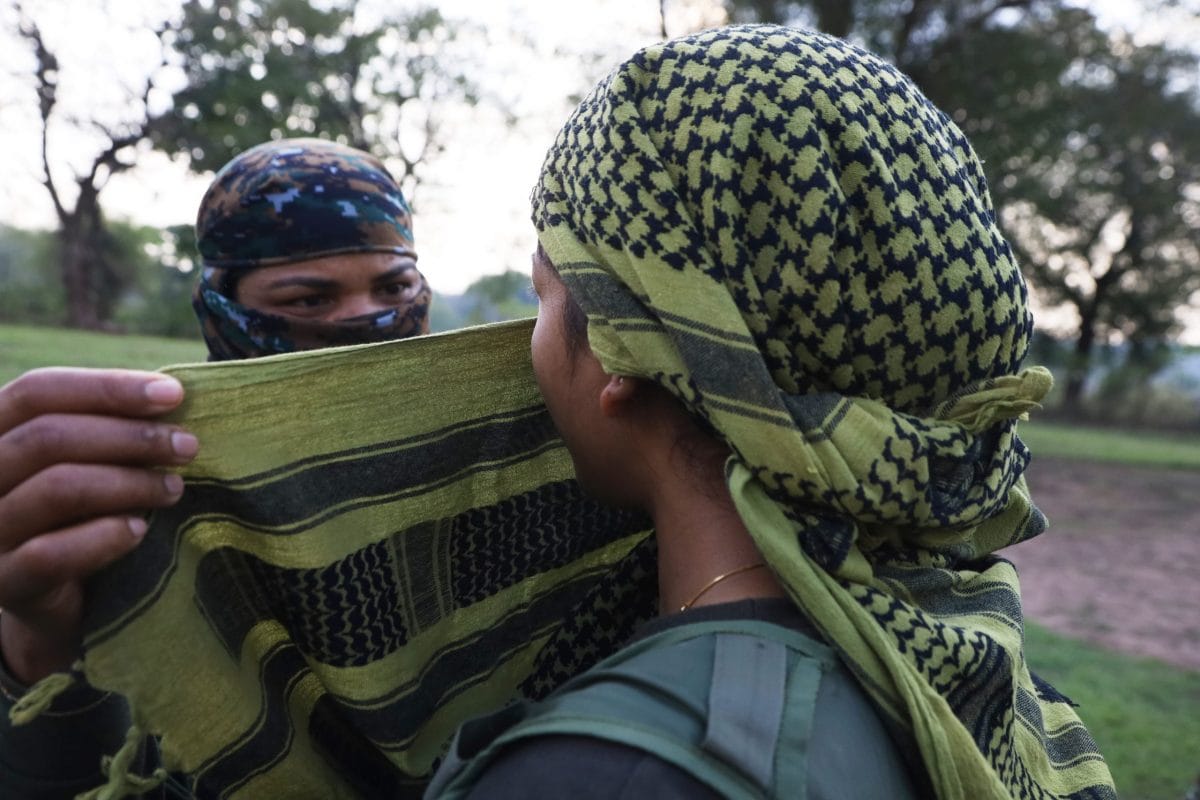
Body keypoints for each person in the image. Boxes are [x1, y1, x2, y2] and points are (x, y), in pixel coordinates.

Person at [425, 25, 1115, 799]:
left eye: (543, 297)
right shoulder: (971, 657)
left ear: (621, 351)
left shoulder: (611, 771)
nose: (532, 338)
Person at [0, 138, 431, 798]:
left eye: (394, 287)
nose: (364, 322)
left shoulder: (480, 463)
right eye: (308, 301)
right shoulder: (143, 485)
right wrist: (39, 640)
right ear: (222, 313)